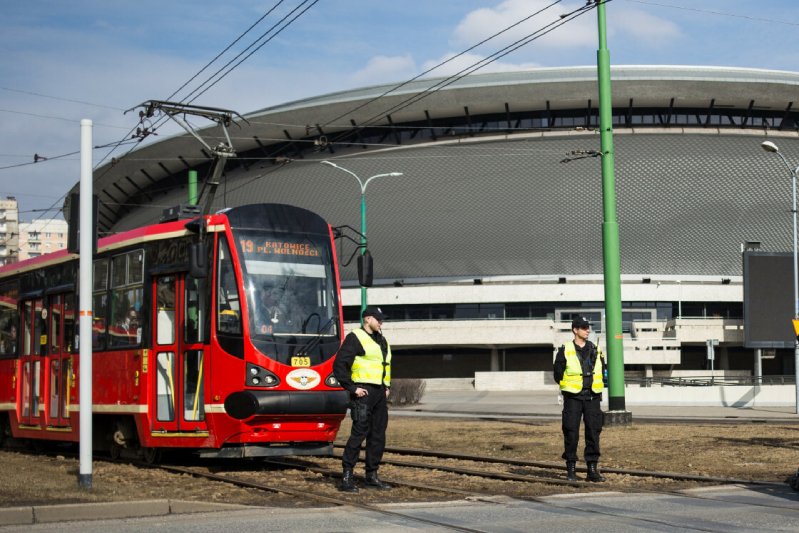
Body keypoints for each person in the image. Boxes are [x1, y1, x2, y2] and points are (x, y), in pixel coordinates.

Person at [333, 306, 392, 493]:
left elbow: (385, 366)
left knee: (378, 435)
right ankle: (347, 476)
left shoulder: (381, 340)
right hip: (363, 392)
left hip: (379, 393)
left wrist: (387, 386)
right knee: (359, 434)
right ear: (367, 319)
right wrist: (352, 388)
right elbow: (340, 365)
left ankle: (371, 476)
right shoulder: (355, 337)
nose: (381, 322)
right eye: (378, 319)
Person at [553, 316, 607, 482]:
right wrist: (569, 387)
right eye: (584, 328)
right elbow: (557, 374)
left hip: (592, 397)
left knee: (593, 432)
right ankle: (571, 470)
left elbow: (604, 370)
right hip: (573, 398)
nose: (587, 330)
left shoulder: (596, 349)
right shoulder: (565, 349)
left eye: (588, 327)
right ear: (575, 330)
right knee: (571, 432)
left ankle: (592, 470)